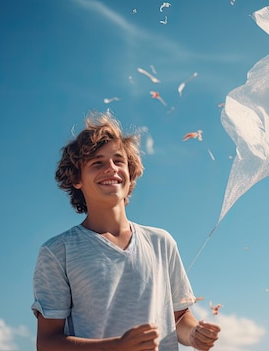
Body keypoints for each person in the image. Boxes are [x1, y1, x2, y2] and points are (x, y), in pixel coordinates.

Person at [32, 111, 220, 351]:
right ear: (77, 179)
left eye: (118, 160)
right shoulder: (58, 251)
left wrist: (194, 334)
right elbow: (47, 343)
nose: (111, 168)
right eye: (97, 163)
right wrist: (117, 346)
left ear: (130, 173)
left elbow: (180, 318)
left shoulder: (162, 242)